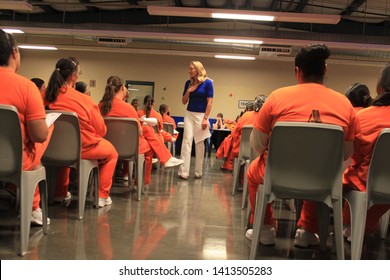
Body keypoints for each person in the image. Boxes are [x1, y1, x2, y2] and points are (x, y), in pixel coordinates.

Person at [245, 44, 359, 247]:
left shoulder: (276, 98)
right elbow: (346, 153)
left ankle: (265, 229)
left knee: (253, 173)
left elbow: (257, 145)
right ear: (325, 69)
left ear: (297, 71)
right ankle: (307, 230)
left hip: (278, 174)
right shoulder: (344, 104)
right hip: (323, 179)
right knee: (319, 168)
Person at [45, 57, 118, 208]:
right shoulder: (84, 99)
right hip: (82, 148)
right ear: (73, 76)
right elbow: (101, 130)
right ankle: (102, 196)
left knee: (65, 150)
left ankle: (60, 192)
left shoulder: (45, 95)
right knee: (112, 153)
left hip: (50, 147)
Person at [0, 30, 52, 225]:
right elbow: (39, 135)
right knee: (45, 131)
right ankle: (32, 208)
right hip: (15, 162)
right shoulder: (26, 86)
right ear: (14, 53)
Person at [99, 76, 182, 186]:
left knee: (147, 129)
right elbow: (139, 132)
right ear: (123, 88)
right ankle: (142, 182)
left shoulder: (99, 106)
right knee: (149, 143)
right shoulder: (128, 109)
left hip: (105, 144)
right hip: (127, 147)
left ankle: (165, 158)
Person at [342, 64, 390, 241]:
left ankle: (314, 229)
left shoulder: (362, 117)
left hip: (368, 185)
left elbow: (351, 155)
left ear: (379, 88)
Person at [178, 61, 214, 180]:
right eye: (189, 69)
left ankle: (198, 171)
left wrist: (205, 119)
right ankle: (184, 171)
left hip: (201, 115)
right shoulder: (188, 83)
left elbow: (210, 102)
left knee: (199, 144)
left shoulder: (208, 83)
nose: (189, 71)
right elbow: (183, 101)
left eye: (191, 69)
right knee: (186, 141)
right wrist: (189, 91)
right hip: (189, 114)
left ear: (198, 70)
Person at [217, 95, 267, 172]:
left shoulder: (246, 116)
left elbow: (234, 134)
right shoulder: (268, 118)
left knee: (229, 140)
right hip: (262, 152)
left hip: (242, 150)